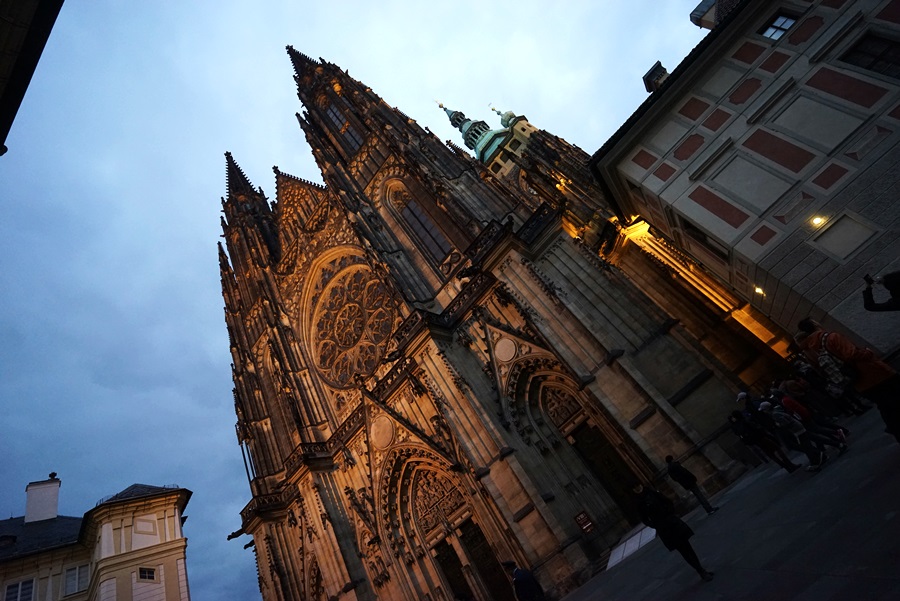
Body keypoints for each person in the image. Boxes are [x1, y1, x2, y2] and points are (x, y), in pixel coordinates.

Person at [796, 318, 900, 444]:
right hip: (871, 373)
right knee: (893, 400)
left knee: (885, 405)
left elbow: (819, 370)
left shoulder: (809, 351)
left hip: (854, 381)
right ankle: (894, 428)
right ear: (814, 325)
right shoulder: (831, 337)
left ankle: (894, 429)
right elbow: (851, 353)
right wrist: (867, 352)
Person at [633, 483, 714, 582]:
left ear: (641, 485)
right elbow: (644, 519)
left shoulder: (653, 493)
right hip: (664, 529)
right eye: (635, 488)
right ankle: (701, 571)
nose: (638, 488)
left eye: (638, 486)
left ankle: (701, 569)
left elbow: (667, 501)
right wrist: (655, 524)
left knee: (688, 547)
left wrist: (670, 513)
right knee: (683, 550)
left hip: (672, 522)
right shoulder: (639, 503)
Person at [728, 411, 801, 472]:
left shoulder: (736, 426)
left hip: (756, 442)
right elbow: (756, 428)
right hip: (761, 438)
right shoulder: (745, 421)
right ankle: (790, 464)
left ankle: (786, 467)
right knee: (777, 449)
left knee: (771, 455)